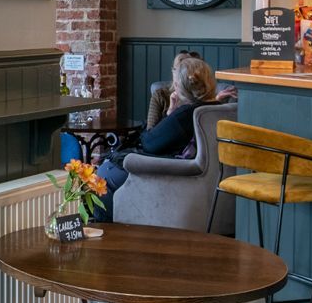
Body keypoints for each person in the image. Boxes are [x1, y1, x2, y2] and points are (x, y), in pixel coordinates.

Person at [95, 52, 223, 219]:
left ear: (180, 87)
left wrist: (171, 114)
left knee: (103, 176)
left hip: (170, 173)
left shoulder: (184, 115)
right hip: (203, 179)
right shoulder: (218, 108)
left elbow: (149, 143)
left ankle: (108, 232)